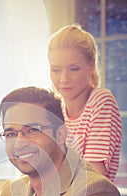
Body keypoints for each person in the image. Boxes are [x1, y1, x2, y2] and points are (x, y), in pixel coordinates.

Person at [47, 23, 122, 182]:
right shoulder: (56, 107)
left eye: (74, 69)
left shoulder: (101, 101)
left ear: (90, 65)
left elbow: (92, 178)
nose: (64, 79)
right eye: (56, 70)